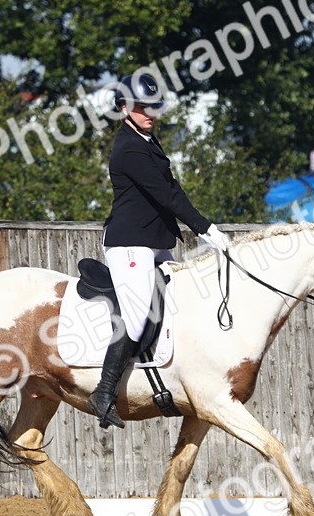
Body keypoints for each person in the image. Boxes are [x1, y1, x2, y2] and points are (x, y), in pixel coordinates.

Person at [87, 73, 231, 429]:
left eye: (154, 106)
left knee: (181, 306)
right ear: (124, 108)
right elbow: (166, 195)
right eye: (141, 107)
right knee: (136, 316)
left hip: (156, 242)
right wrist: (205, 228)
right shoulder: (129, 147)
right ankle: (103, 392)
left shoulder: (149, 140)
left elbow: (173, 188)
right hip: (129, 244)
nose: (150, 113)